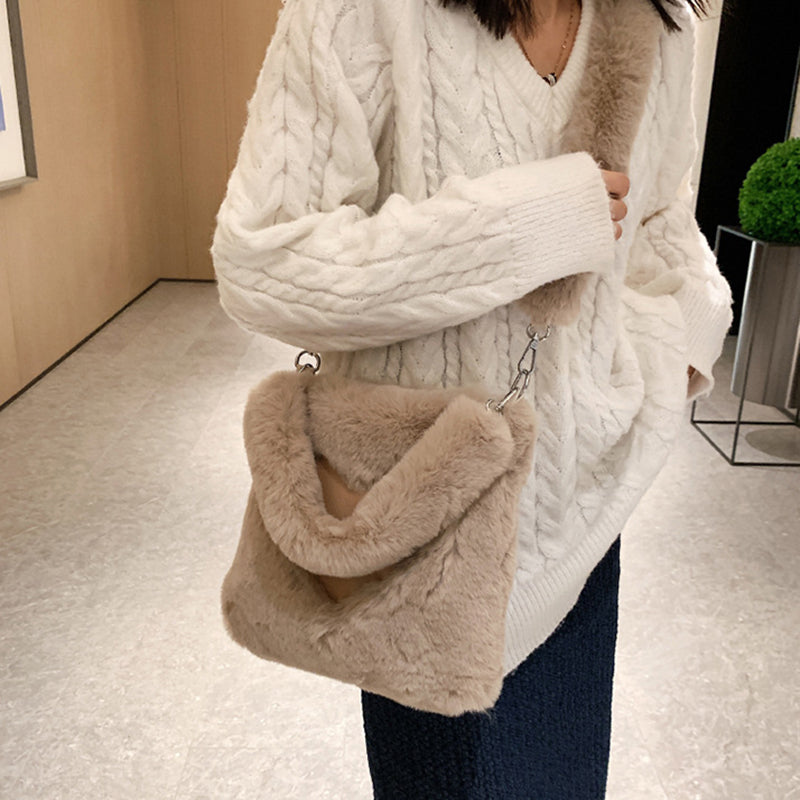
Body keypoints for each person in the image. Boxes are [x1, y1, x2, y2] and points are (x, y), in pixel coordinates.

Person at [212, 0, 733, 795]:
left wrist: (690, 331)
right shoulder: (360, 11)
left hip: (588, 515)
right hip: (427, 531)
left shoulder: (657, 20)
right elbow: (262, 260)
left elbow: (661, 216)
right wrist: (522, 229)